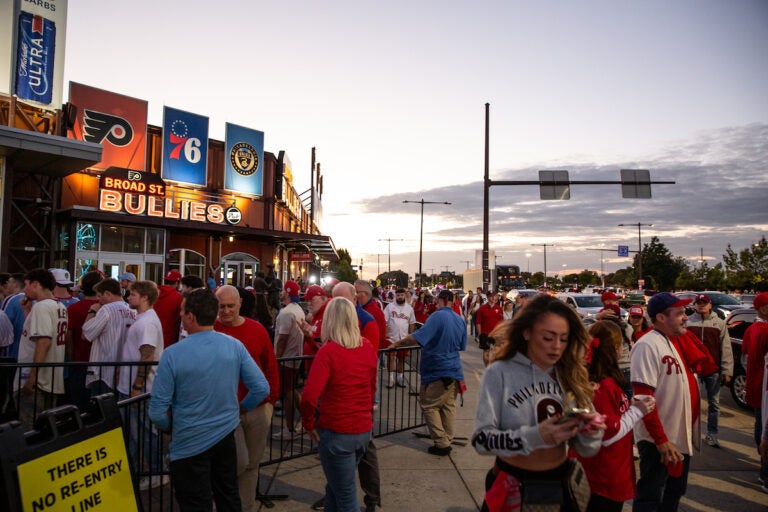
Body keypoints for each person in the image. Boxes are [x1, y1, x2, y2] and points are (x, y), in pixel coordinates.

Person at [471, 293, 604, 511]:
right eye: (548, 338)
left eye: (563, 338)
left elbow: (587, 449)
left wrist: (591, 431)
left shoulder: (570, 373)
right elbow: (481, 440)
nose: (557, 347)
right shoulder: (500, 372)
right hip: (513, 485)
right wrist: (536, 436)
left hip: (560, 486)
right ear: (527, 333)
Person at [149, 289, 269, 512]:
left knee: (196, 502)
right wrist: (241, 409)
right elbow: (261, 388)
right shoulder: (233, 346)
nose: (180, 316)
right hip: (225, 437)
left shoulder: (173, 354)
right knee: (228, 495)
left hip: (188, 443)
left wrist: (168, 427)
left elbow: (156, 411)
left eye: (182, 312)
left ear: (191, 317)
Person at [300, 297, 378, 512]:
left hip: (337, 432)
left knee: (345, 497)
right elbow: (372, 388)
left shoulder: (329, 352)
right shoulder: (367, 347)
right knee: (335, 489)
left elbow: (308, 396)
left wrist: (308, 423)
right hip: (362, 431)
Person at [214, 285, 280, 512]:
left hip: (257, 408)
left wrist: (270, 401)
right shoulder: (210, 330)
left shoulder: (257, 330)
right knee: (236, 463)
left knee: (252, 464)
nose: (225, 311)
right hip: (226, 410)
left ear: (240, 304)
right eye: (221, 306)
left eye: (230, 306)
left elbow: (270, 366)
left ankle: (246, 506)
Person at [578, 321, 656, 512]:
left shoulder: (604, 379)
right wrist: (638, 411)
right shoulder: (602, 386)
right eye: (622, 343)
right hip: (603, 476)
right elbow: (606, 433)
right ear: (615, 348)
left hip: (607, 472)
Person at [631, 292, 697, 512]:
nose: (685, 317)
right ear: (661, 317)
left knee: (673, 493)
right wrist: (660, 440)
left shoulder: (670, 341)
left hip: (676, 439)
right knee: (651, 497)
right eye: (679, 313)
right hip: (658, 441)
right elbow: (643, 399)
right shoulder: (647, 345)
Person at [391, 290, 466, 455]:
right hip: (454, 369)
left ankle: (441, 443)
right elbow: (462, 345)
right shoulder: (460, 320)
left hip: (437, 370)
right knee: (448, 407)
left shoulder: (437, 316)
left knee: (429, 406)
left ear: (443, 300)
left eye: (437, 300)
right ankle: (447, 437)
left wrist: (396, 345)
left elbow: (416, 337)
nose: (435, 303)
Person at [118, 280, 166, 491]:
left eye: (132, 294)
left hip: (142, 389)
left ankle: (156, 471)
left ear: (145, 297)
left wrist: (137, 386)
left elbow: (147, 355)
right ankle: (143, 470)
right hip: (135, 387)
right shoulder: (145, 319)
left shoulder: (147, 322)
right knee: (137, 431)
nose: (128, 297)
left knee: (144, 432)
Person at [16, 269, 68, 428]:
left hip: (38, 382)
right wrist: (27, 310)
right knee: (46, 428)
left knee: (30, 429)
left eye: (26, 285)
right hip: (52, 379)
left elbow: (44, 341)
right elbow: (36, 332)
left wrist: (32, 377)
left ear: (36, 284)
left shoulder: (42, 307)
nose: (24, 290)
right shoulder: (60, 306)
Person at [686, 294, 733, 448]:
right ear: (694, 305)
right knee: (692, 402)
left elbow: (725, 348)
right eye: (698, 303)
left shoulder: (719, 323)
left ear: (710, 305)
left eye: (704, 303)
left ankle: (712, 434)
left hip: (713, 369)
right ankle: (690, 432)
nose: (701, 305)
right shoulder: (687, 322)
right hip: (694, 369)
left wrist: (727, 370)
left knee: (714, 404)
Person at [82, 278, 136, 395]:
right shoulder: (132, 310)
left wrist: (92, 311)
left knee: (101, 410)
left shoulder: (106, 309)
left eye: (100, 296)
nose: (98, 300)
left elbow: (86, 333)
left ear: (108, 294)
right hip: (123, 370)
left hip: (104, 370)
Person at [64, 271, 101, 411]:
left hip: (78, 361)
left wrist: (70, 356)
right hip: (99, 363)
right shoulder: (105, 308)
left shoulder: (74, 308)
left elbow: (68, 336)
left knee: (78, 404)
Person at [273, 280, 306, 438]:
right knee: (291, 391)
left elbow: (282, 339)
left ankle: (289, 428)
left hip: (286, 358)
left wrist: (276, 359)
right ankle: (309, 417)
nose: (280, 292)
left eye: (283, 290)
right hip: (294, 356)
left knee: (287, 394)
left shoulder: (286, 313)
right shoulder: (297, 309)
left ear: (287, 292)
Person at [743, 291, 768, 490]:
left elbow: (744, 357)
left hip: (756, 385)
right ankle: (765, 472)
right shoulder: (761, 330)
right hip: (762, 386)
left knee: (761, 427)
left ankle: (764, 469)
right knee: (763, 429)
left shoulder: (752, 329)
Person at [382, 288, 416, 388]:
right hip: (391, 338)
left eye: (401, 295)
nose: (400, 297)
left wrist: (410, 335)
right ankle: (391, 378)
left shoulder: (409, 308)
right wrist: (385, 333)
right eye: (398, 295)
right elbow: (384, 320)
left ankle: (400, 378)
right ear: (395, 296)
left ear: (404, 296)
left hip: (403, 338)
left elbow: (412, 323)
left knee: (401, 359)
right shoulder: (390, 306)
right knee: (391, 358)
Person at [154, 269, 183, 347]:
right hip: (169, 339)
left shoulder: (154, 293)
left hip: (152, 336)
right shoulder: (178, 297)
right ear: (177, 283)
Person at [476, 291, 504, 366]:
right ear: (488, 298)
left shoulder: (499, 309)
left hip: (496, 334)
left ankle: (493, 367)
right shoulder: (482, 309)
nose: (494, 298)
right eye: (492, 296)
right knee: (486, 352)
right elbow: (478, 322)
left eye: (495, 296)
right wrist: (480, 334)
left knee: (496, 352)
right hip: (485, 333)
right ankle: (487, 367)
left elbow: (501, 322)